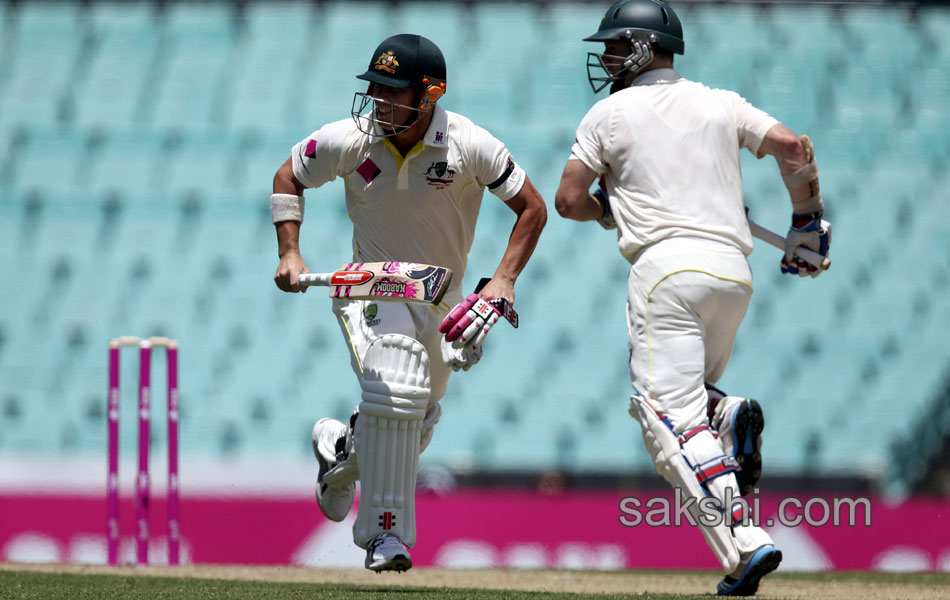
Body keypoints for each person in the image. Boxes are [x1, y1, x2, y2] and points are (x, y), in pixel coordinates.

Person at [555, 0, 830, 596]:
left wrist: (610, 208)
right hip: (733, 274)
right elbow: (791, 146)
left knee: (666, 421)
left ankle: (744, 541)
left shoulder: (608, 113)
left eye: (611, 45)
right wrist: (808, 223)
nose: (603, 58)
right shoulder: (719, 100)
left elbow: (569, 199)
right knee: (691, 405)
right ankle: (725, 415)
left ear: (640, 46)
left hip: (665, 273)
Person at [270, 33, 546, 572]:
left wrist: (503, 281)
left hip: (439, 300)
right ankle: (383, 538)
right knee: (396, 384)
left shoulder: (469, 143)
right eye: (375, 87)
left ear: (430, 95)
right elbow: (288, 176)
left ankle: (342, 452)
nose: (378, 100)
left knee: (413, 417)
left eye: (392, 91)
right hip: (368, 288)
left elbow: (532, 208)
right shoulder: (350, 138)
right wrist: (290, 252)